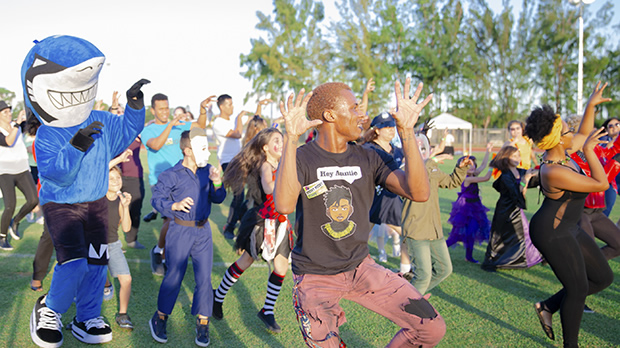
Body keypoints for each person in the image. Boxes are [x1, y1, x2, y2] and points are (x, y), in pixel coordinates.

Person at [274, 78, 445, 347]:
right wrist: (291, 139)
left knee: (430, 328)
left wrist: (408, 131)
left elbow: (419, 192)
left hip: (360, 267)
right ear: (330, 115)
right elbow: (283, 205)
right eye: (354, 108)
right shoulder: (303, 156)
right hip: (316, 277)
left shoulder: (369, 156)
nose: (362, 114)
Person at [22, 34, 148, 348]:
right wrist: (78, 144)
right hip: (62, 205)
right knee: (74, 262)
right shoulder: (48, 134)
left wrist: (134, 106)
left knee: (97, 262)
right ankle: (50, 309)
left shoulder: (100, 120)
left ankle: (87, 314)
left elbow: (124, 133)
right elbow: (57, 175)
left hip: (95, 203)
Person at [525, 82, 613, 347]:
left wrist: (590, 106)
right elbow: (601, 184)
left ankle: (548, 306)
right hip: (551, 233)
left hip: (569, 226)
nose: (571, 131)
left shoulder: (563, 151)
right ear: (559, 138)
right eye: (566, 129)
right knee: (578, 289)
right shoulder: (554, 170)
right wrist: (589, 151)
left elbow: (585, 133)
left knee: (603, 278)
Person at [148, 128, 226, 347]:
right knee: (174, 276)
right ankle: (160, 317)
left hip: (203, 232)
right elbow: (156, 199)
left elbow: (218, 198)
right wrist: (173, 205)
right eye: (202, 147)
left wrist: (217, 181)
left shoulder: (207, 170)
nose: (207, 152)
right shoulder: (171, 174)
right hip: (180, 231)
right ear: (187, 150)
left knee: (204, 278)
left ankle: (202, 322)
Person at [213, 127, 292, 334]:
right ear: (266, 148)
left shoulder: (283, 163)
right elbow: (269, 188)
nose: (281, 144)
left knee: (281, 267)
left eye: (282, 140)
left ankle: (267, 310)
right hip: (262, 223)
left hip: (281, 223)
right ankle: (217, 296)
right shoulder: (266, 165)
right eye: (277, 140)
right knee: (245, 262)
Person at [141, 93, 214, 275]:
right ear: (153, 110)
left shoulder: (180, 126)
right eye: (161, 109)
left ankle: (168, 254)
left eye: (167, 108)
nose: (165, 112)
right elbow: (156, 145)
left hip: (183, 179)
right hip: (161, 181)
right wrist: (170, 125)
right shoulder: (148, 130)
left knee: (179, 219)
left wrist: (202, 110)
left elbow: (200, 126)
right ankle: (159, 251)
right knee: (171, 218)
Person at [401, 134, 470, 295]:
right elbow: (417, 171)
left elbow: (450, 182)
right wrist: (432, 159)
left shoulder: (431, 166)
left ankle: (411, 299)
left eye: (424, 147)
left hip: (434, 230)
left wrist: (461, 168)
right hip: (416, 230)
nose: (421, 150)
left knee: (444, 269)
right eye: (417, 147)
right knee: (423, 275)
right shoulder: (404, 168)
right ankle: (408, 307)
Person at [213, 95, 271, 239]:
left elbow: (255, 123)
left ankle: (240, 216)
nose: (232, 107)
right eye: (229, 104)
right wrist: (239, 118)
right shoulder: (218, 123)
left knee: (252, 193)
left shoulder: (232, 121)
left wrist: (259, 105)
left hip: (242, 160)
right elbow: (237, 134)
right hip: (229, 162)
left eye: (232, 104)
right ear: (221, 106)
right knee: (238, 195)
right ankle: (230, 227)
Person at [481, 146, 542, 271]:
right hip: (505, 209)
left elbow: (531, 180)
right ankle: (491, 261)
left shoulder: (519, 171)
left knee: (523, 234)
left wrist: (544, 170)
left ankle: (530, 257)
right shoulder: (505, 176)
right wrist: (525, 179)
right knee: (498, 236)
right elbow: (516, 192)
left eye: (518, 155)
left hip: (515, 208)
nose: (517, 158)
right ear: (506, 158)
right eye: (513, 156)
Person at [362, 112, 404, 263]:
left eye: (392, 126)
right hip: (372, 200)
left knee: (407, 234)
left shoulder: (398, 150)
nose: (391, 129)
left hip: (392, 199)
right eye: (386, 127)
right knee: (361, 237)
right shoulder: (367, 149)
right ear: (377, 130)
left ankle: (408, 267)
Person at [0, 102, 39, 250]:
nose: (9, 114)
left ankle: (15, 221)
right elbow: (8, 141)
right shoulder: (13, 127)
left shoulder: (19, 126)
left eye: (9, 111)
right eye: (5, 112)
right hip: (4, 172)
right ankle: (2, 237)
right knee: (10, 205)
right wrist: (17, 123)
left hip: (22, 169)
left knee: (33, 200)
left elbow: (33, 127)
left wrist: (29, 112)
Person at [446, 143, 494, 263]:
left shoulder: (473, 174)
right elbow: (486, 178)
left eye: (473, 165)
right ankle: (437, 252)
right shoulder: (467, 178)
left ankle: (469, 257)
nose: (472, 167)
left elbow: (483, 165)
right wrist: (493, 167)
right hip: (465, 207)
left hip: (475, 206)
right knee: (456, 235)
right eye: (469, 165)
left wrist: (488, 150)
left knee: (471, 232)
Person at [104, 166, 134, 330]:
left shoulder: (121, 199)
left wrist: (125, 206)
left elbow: (127, 228)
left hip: (113, 244)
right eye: (111, 178)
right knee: (93, 278)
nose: (116, 181)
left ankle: (122, 314)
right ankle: (106, 283)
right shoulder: (98, 196)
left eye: (118, 177)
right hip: (94, 245)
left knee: (126, 280)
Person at [600, 116, 620, 216]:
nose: (614, 127)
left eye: (617, 124)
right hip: (609, 177)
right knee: (605, 209)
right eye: (610, 126)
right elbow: (605, 154)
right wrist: (614, 140)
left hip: (617, 176)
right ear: (607, 130)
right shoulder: (604, 140)